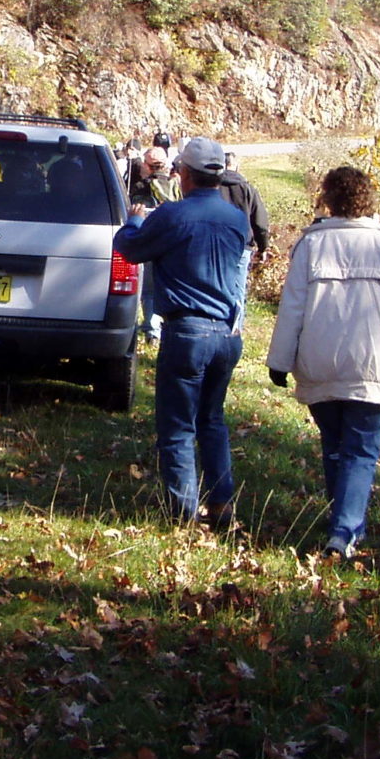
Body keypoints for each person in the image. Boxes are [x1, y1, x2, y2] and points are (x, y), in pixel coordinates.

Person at [265, 166, 380, 559]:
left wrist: (279, 360)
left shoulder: (311, 245)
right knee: (360, 451)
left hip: (321, 359)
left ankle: (342, 523)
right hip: (376, 361)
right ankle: (345, 531)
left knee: (335, 445)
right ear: (368, 200)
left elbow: (293, 308)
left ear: (329, 199)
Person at [112, 137, 250, 529]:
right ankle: (222, 506)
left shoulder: (172, 216)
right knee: (212, 420)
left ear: (183, 173)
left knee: (177, 427)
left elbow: (131, 250)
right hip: (227, 333)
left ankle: (183, 516)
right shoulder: (236, 219)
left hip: (187, 331)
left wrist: (134, 221)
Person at [126, 146, 181, 342]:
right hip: (173, 243)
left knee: (148, 289)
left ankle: (151, 329)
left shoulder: (141, 188)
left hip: (149, 241)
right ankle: (166, 326)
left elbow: (132, 212)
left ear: (148, 167)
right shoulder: (176, 186)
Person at [213, 149, 270, 332]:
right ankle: (235, 330)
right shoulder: (248, 189)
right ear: (236, 166)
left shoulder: (213, 187)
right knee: (237, 290)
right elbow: (260, 222)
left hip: (215, 244)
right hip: (241, 246)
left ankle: (216, 325)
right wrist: (263, 247)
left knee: (215, 286)